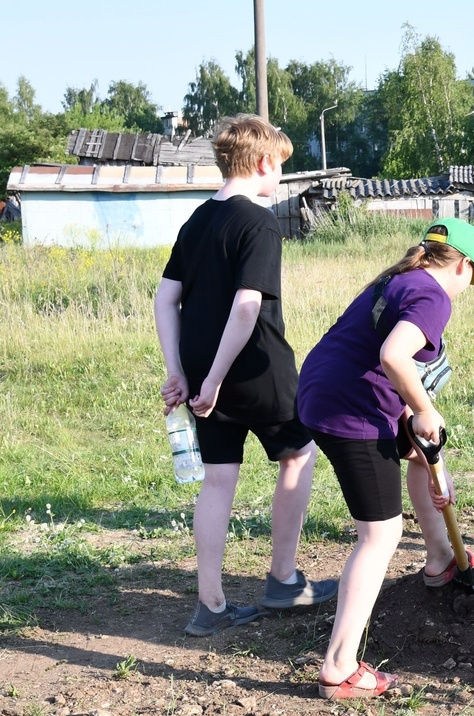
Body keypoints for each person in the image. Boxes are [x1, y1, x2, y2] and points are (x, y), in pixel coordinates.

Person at [154, 114, 337, 638]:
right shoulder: (258, 222)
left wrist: (180, 372)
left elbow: (165, 298)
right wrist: (212, 379)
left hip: (199, 371)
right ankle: (283, 579)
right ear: (261, 163)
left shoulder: (197, 220)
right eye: (279, 166)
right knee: (298, 454)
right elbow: (246, 306)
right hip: (255, 369)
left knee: (217, 478)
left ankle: (209, 606)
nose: (278, 177)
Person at [297, 217, 474, 699]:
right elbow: (393, 357)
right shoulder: (433, 295)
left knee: (419, 461)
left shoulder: (399, 278)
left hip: (326, 392)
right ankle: (339, 668)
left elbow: (384, 366)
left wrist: (421, 436)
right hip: (349, 410)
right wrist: (425, 408)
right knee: (380, 534)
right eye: (473, 276)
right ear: (463, 266)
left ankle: (441, 559)